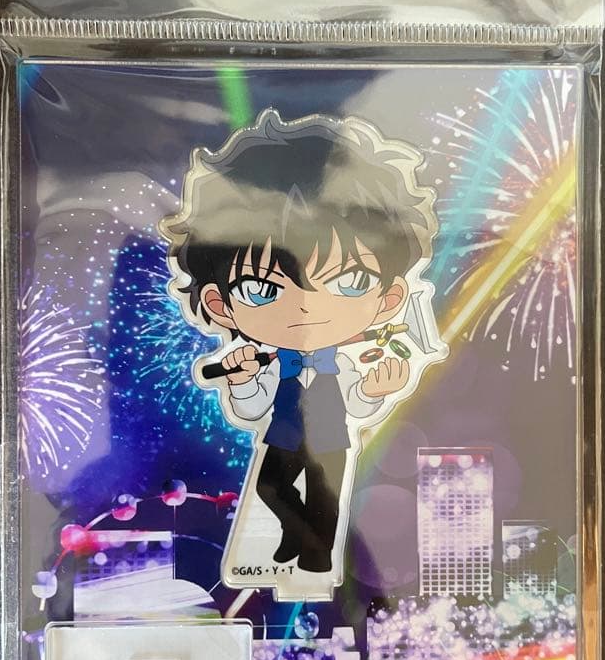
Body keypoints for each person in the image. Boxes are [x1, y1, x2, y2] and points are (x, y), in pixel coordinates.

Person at [162, 109, 438, 575]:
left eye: (350, 281)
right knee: (270, 487)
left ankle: (316, 556)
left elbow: (358, 404)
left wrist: (373, 390)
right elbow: (252, 408)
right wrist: (243, 381)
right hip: (283, 435)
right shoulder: (271, 361)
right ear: (219, 303)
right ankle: (298, 535)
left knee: (326, 494)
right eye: (261, 289)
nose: (307, 307)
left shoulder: (342, 362)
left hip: (331, 438)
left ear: (389, 300)